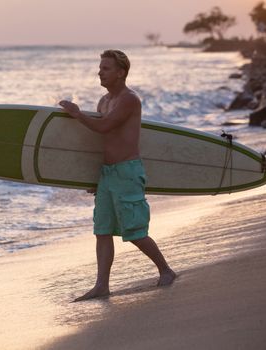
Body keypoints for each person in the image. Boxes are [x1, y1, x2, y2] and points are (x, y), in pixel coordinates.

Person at [59, 49, 176, 302]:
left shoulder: (129, 99)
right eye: (100, 68)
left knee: (134, 231)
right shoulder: (103, 101)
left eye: (106, 68)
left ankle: (166, 269)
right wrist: (93, 179)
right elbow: (98, 141)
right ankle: (102, 285)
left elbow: (105, 126)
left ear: (121, 72)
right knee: (102, 230)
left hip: (127, 171)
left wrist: (77, 114)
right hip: (107, 174)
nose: (99, 72)